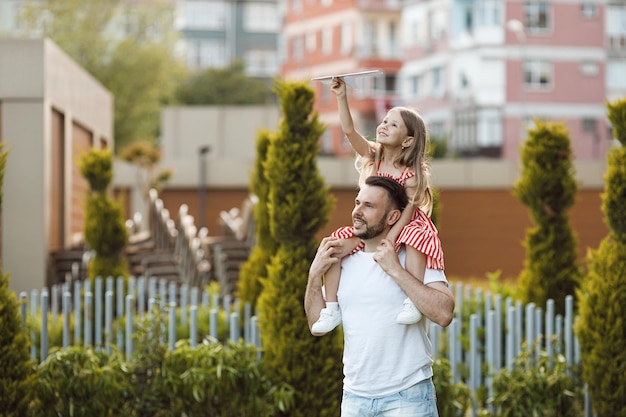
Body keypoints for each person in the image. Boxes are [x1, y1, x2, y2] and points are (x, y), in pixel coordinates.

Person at [305, 175, 455, 417]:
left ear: (393, 217)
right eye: (357, 203)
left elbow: (444, 312)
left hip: (407, 398)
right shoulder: (343, 261)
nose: (357, 212)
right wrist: (314, 276)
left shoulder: (412, 255)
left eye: (369, 206)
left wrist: (396, 270)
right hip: (354, 399)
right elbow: (316, 325)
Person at [311, 76, 444, 333]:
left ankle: (412, 301)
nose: (383, 126)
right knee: (335, 246)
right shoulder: (373, 156)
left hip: (403, 222)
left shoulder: (412, 174)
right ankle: (331, 307)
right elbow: (349, 131)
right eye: (384, 121)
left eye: (392, 125)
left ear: (407, 140)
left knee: (416, 237)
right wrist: (341, 96)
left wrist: (391, 241)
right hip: (375, 223)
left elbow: (408, 211)